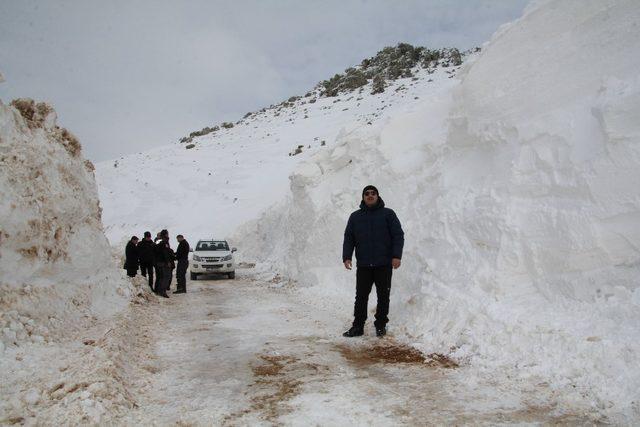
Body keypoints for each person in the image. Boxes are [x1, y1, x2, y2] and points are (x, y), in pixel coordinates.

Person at [342, 185, 404, 338]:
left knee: (383, 296)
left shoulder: (388, 214)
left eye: (373, 193)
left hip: (383, 264)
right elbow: (349, 238)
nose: (370, 196)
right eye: (367, 194)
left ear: (378, 196)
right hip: (364, 265)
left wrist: (396, 256)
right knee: (361, 296)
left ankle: (381, 325)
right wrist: (347, 256)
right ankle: (358, 326)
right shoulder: (355, 217)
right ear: (363, 197)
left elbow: (398, 235)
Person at [154, 229, 173, 298]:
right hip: (163, 262)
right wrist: (168, 261)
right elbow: (165, 252)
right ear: (166, 234)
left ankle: (159, 290)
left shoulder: (158, 241)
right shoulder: (164, 241)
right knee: (166, 277)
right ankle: (163, 291)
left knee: (161, 277)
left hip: (158, 262)